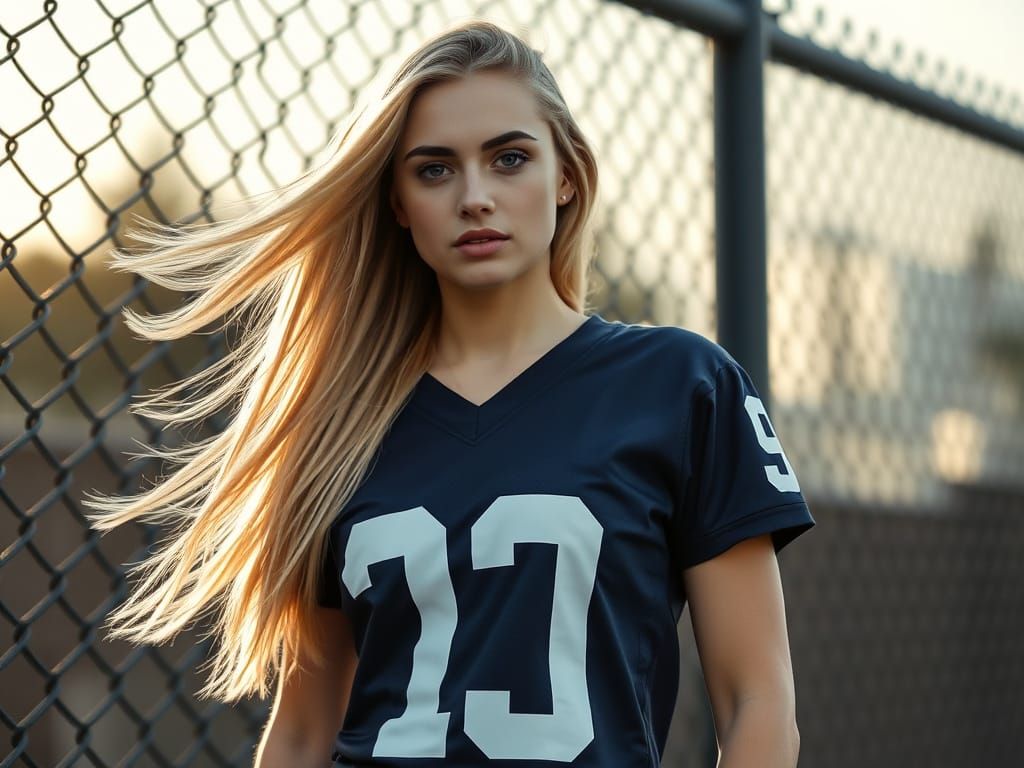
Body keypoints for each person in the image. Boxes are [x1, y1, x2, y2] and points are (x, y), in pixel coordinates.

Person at [83, 19, 815, 768]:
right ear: (398, 202)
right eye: (434, 170)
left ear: (566, 175)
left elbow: (756, 701)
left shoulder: (680, 384)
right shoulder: (338, 426)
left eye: (509, 159)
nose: (475, 197)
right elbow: (304, 731)